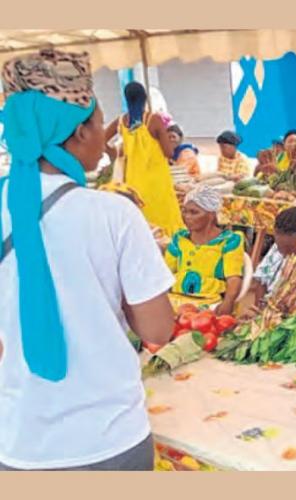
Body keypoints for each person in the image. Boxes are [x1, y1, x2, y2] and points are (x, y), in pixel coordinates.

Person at [0, 49, 175, 471]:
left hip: (16, 440)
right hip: (109, 438)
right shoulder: (113, 213)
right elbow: (158, 329)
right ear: (79, 132)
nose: (106, 136)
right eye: (99, 124)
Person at [104, 81, 184, 237]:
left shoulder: (121, 121)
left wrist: (115, 154)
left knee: (141, 221)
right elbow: (168, 153)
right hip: (157, 181)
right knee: (164, 219)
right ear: (145, 98)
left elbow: (102, 140)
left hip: (133, 181)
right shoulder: (154, 120)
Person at [165, 185, 245, 315]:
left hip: (211, 304)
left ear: (211, 215)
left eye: (194, 212)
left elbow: (233, 278)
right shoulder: (179, 239)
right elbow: (166, 273)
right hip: (174, 300)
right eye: (184, 211)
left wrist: (228, 302)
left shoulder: (229, 241)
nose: (187, 216)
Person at [244, 204, 296, 309]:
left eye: (289, 249)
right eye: (281, 249)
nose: (284, 255)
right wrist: (258, 309)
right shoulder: (276, 249)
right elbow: (262, 282)